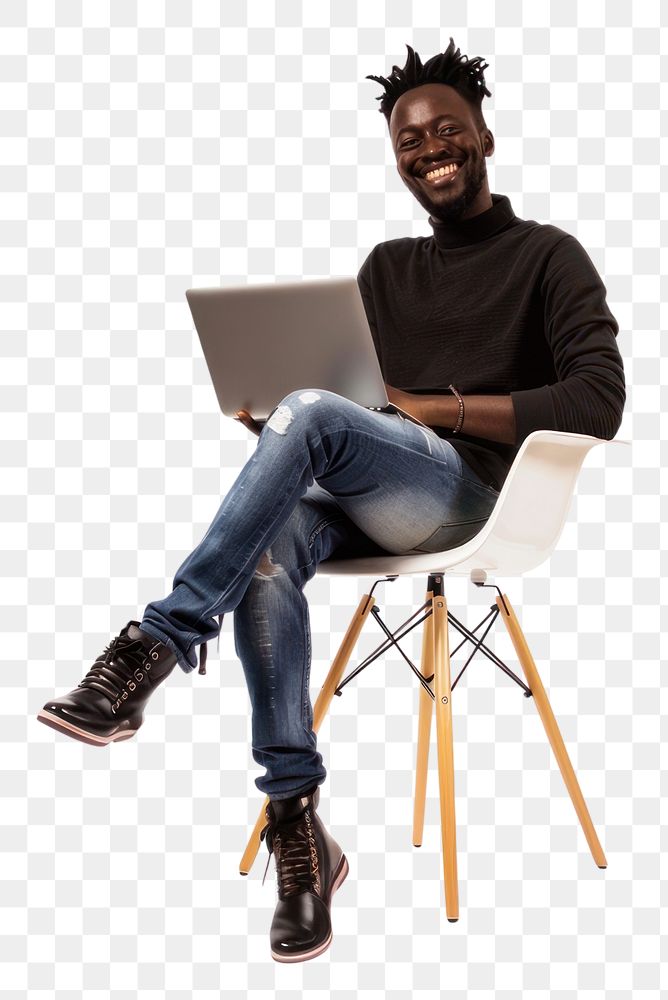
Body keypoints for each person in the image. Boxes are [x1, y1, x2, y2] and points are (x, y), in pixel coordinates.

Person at [36, 38, 625, 963]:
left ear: (485, 138)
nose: (428, 148)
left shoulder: (549, 257)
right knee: (267, 556)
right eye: (409, 140)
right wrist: (275, 425)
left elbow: (599, 400)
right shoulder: (388, 268)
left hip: (473, 498)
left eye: (447, 131)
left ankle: (158, 641)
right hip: (368, 486)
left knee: (313, 416)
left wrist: (433, 410)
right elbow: (346, 402)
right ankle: (299, 831)